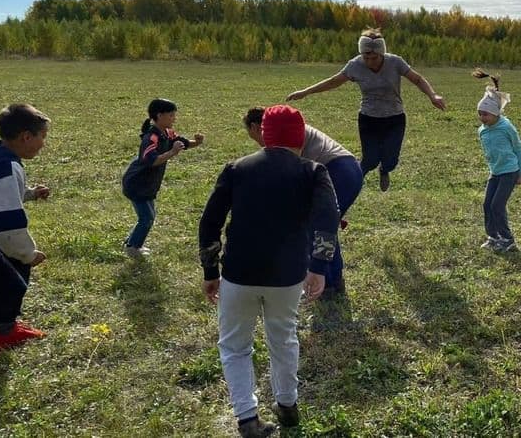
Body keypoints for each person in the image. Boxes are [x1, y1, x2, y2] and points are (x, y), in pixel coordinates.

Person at [199, 105, 339, 437]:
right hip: (288, 276)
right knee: (284, 338)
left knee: (235, 346)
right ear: (299, 136)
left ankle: (247, 418)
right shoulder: (314, 171)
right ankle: (287, 404)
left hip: (238, 273)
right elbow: (327, 219)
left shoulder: (236, 169)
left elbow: (210, 223)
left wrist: (209, 270)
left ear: (265, 134)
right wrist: (319, 267)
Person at [286, 28, 446, 191]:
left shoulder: (395, 62)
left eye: (374, 57)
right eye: (366, 57)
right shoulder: (355, 65)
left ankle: (384, 171)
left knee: (391, 161)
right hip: (368, 118)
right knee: (370, 160)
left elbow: (417, 79)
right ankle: (353, 179)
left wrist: (433, 96)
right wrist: (305, 92)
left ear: (381, 53)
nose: (369, 61)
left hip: (395, 118)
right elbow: (333, 81)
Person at [244, 107, 362, 298]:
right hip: (348, 170)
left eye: (254, 137)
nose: (259, 144)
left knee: (316, 227)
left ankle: (328, 285)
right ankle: (334, 282)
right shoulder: (287, 127)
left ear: (257, 127)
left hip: (338, 171)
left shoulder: (284, 135)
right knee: (324, 226)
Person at [0, 104, 51, 353]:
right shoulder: (6, 167)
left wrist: (28, 194)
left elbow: (0, 196)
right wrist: (28, 254)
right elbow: (7, 227)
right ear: (26, 136)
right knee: (13, 281)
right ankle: (4, 331)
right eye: (42, 137)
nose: (43, 144)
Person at [121, 98, 204, 258]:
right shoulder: (151, 137)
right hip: (137, 184)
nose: (174, 118)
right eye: (171, 115)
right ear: (159, 116)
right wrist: (172, 152)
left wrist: (197, 142)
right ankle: (133, 247)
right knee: (146, 218)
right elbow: (151, 161)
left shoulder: (167, 133)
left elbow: (183, 143)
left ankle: (130, 242)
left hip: (148, 185)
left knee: (148, 216)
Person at [472, 69, 521, 252]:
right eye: (480, 113)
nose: (482, 117)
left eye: (485, 114)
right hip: (495, 172)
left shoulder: (506, 127)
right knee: (487, 204)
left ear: (496, 113)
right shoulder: (482, 130)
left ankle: (507, 239)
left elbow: (518, 148)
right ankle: (493, 236)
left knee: (497, 205)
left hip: (509, 171)